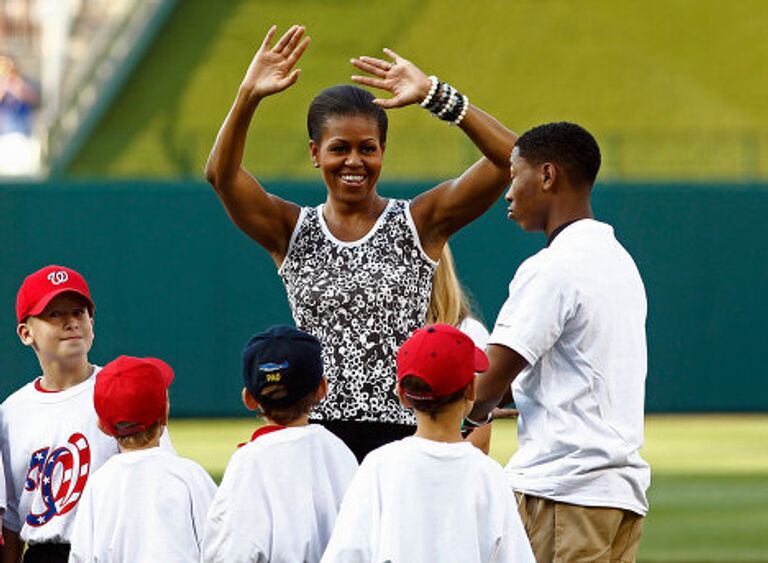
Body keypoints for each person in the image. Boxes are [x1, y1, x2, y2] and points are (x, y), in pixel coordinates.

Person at [205, 24, 517, 461]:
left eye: (367, 148)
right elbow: (221, 176)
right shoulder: (291, 229)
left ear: (383, 152)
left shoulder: (418, 222)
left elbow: (512, 160)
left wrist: (434, 93)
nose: (354, 161)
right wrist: (247, 96)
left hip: (404, 442)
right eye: (339, 148)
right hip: (318, 444)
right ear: (316, 153)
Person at [466, 122, 650, 562]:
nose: (508, 193)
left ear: (547, 176)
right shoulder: (620, 261)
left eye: (515, 175)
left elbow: (487, 381)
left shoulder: (552, 267)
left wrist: (458, 415)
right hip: (618, 495)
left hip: (563, 491)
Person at [0, 265, 173, 563]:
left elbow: (159, 479)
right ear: (26, 333)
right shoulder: (11, 414)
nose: (71, 323)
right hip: (45, 552)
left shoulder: (123, 387)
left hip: (115, 550)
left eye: (79, 312)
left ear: (92, 321)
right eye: (55, 314)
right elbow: (11, 523)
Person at [321, 324, 535, 562]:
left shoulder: (378, 466)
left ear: (402, 395)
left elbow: (346, 554)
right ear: (472, 391)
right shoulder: (489, 474)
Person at [202, 325, 357, 563]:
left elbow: (230, 552)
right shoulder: (339, 451)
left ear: (249, 399)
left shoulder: (248, 463)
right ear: (321, 389)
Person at [68, 355, 216, 562]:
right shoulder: (189, 476)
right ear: (164, 414)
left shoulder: (97, 484)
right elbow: (219, 548)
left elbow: (81, 557)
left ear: (102, 425)